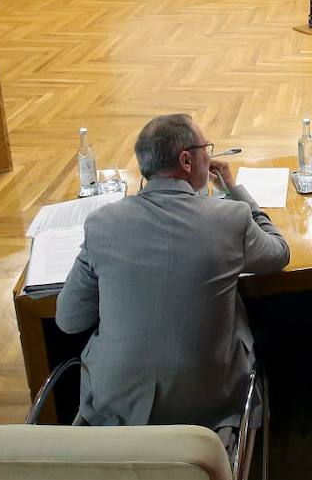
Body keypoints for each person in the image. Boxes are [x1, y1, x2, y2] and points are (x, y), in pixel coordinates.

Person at [55, 114, 289, 430]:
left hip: (117, 416)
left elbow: (69, 321)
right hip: (207, 410)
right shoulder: (231, 218)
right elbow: (279, 252)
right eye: (206, 147)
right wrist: (237, 191)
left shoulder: (102, 224)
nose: (210, 153)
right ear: (187, 160)